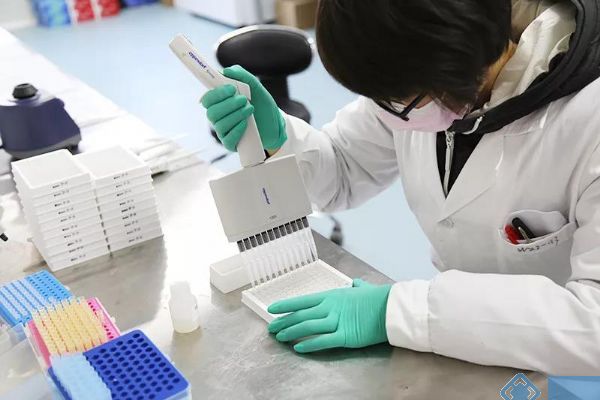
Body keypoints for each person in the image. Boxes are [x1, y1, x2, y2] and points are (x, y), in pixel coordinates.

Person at [200, 0, 600, 375]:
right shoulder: (419, 77)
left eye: (398, 100)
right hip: (468, 351)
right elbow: (343, 169)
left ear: (455, 65)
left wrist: (402, 312)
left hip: (567, 368)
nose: (388, 110)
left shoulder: (588, 118)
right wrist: (278, 138)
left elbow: (593, 322)